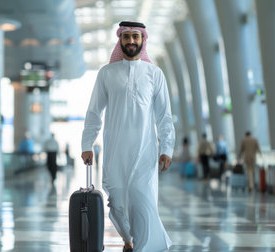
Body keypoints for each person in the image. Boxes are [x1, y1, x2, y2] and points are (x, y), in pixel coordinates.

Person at [81, 21, 175, 252]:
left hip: (145, 153)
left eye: (135, 36)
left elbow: (164, 116)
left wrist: (167, 149)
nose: (131, 41)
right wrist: (87, 143)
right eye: (126, 37)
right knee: (118, 205)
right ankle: (128, 240)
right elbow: (94, 112)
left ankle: (143, 247)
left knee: (143, 204)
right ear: (120, 40)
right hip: (115, 152)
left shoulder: (155, 74)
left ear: (143, 40)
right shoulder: (106, 73)